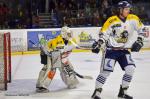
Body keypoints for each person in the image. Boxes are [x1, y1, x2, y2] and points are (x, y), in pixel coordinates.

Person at [91, 1, 147, 99]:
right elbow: (104, 34)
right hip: (111, 50)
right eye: (126, 9)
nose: (128, 11)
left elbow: (143, 30)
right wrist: (99, 43)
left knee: (131, 69)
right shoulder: (111, 20)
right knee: (105, 72)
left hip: (124, 50)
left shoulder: (133, 18)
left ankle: (123, 92)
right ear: (120, 10)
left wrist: (139, 41)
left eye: (128, 9)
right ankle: (97, 92)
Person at [36, 26, 80, 92]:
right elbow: (54, 53)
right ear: (64, 34)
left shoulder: (72, 41)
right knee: (51, 69)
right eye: (68, 33)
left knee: (68, 68)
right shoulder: (57, 41)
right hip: (48, 54)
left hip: (59, 55)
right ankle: (42, 86)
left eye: (70, 33)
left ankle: (71, 82)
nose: (70, 35)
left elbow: (66, 50)